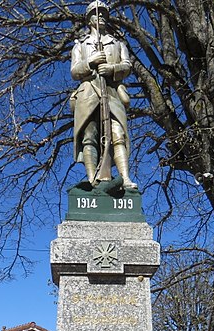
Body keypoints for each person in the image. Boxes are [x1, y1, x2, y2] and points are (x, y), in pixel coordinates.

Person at [70, 0, 137, 189]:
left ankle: (125, 178)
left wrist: (111, 68)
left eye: (103, 15)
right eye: (95, 14)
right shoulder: (80, 45)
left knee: (118, 134)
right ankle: (92, 179)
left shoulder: (117, 44)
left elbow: (127, 66)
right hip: (88, 93)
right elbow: (75, 71)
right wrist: (90, 62)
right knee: (89, 136)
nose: (100, 17)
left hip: (112, 93)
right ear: (88, 19)